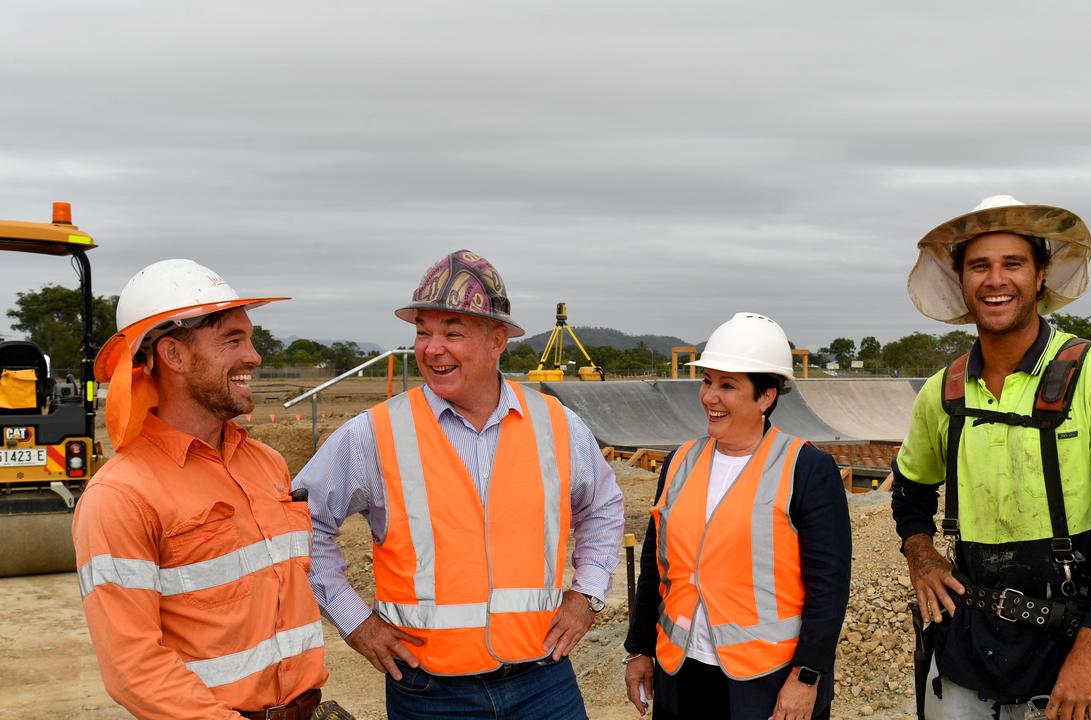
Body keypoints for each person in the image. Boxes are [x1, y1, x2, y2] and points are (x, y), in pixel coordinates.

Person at [295, 249, 624, 720]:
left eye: (452, 333)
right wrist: (356, 623)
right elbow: (300, 523)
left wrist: (587, 594)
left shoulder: (557, 425)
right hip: (430, 692)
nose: (432, 348)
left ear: (497, 341)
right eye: (423, 333)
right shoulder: (375, 433)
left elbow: (605, 507)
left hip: (543, 680)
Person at [893, 195, 1091, 719]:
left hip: (1070, 645)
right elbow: (910, 486)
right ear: (962, 281)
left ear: (1040, 276)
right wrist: (920, 551)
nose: (996, 280)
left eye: (1012, 264)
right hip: (969, 640)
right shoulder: (942, 393)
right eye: (980, 266)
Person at [73, 259, 328, 719]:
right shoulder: (120, 497)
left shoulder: (266, 464)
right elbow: (133, 669)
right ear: (173, 355)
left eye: (250, 339)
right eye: (233, 341)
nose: (254, 357)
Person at [624, 312, 851, 720]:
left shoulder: (806, 468)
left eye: (727, 385)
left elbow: (829, 587)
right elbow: (655, 567)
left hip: (767, 681)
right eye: (707, 381)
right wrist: (640, 649)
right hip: (682, 673)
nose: (710, 396)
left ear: (766, 396)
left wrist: (807, 677)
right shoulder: (679, 463)